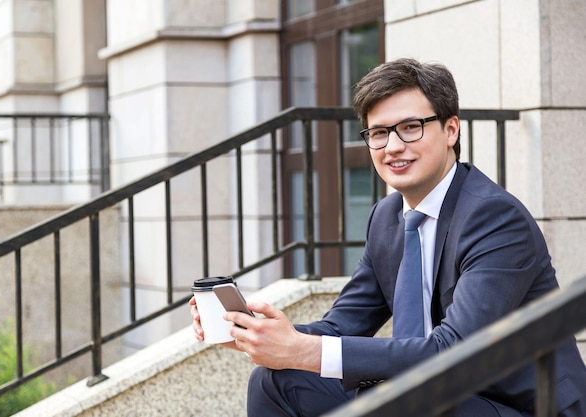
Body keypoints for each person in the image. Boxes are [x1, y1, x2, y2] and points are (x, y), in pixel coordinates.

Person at [189, 58, 586, 416]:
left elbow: (453, 352)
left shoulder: (493, 217)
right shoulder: (387, 217)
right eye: (378, 133)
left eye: (410, 128)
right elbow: (341, 327)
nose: (393, 146)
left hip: (517, 405)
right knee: (277, 380)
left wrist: (304, 350)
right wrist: (258, 334)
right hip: (440, 397)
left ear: (451, 129)